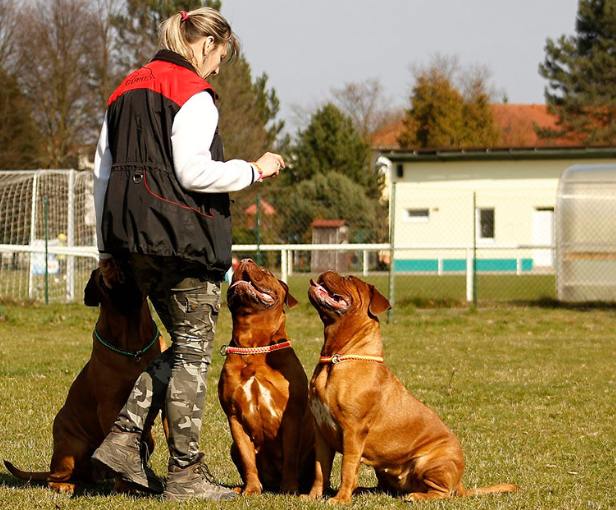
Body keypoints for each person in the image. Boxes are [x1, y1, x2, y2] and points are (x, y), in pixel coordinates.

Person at [90, 7, 284, 502]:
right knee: (193, 353)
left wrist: (107, 248)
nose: (217, 68)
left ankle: (124, 440)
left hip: (131, 242)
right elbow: (195, 173)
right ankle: (183, 474)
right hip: (180, 241)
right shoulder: (192, 94)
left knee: (185, 349)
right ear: (205, 45)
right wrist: (253, 170)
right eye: (220, 56)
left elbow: (101, 173)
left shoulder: (124, 89)